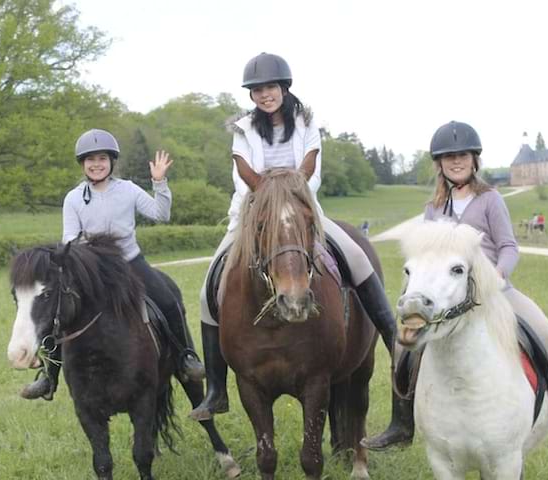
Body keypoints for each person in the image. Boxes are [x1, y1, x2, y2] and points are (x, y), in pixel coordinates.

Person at [189, 53, 397, 420]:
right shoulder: (243, 129)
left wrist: (293, 191)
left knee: (357, 256)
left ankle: (395, 343)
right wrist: (264, 194)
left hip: (301, 205)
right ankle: (216, 390)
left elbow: (313, 169)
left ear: (284, 88)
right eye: (257, 90)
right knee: (211, 283)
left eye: (269, 87)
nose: (264, 95)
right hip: (255, 210)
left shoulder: (306, 121)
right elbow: (241, 177)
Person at [361, 120, 548, 450]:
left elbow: (509, 245)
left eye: (463, 155)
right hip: (446, 296)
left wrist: (498, 275)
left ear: (474, 160)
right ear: (439, 163)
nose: (457, 161)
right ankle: (402, 423)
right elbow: (424, 256)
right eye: (449, 156)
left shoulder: (491, 200)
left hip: (494, 290)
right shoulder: (434, 208)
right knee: (402, 347)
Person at [20, 129, 205, 400]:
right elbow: (69, 238)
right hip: (91, 273)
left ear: (111, 162)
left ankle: (185, 357)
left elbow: (161, 214)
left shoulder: (128, 190)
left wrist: (159, 182)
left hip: (130, 262)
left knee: (168, 300)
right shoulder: (73, 198)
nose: (96, 164)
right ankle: (50, 376)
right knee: (61, 312)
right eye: (90, 159)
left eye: (102, 158)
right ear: (83, 164)